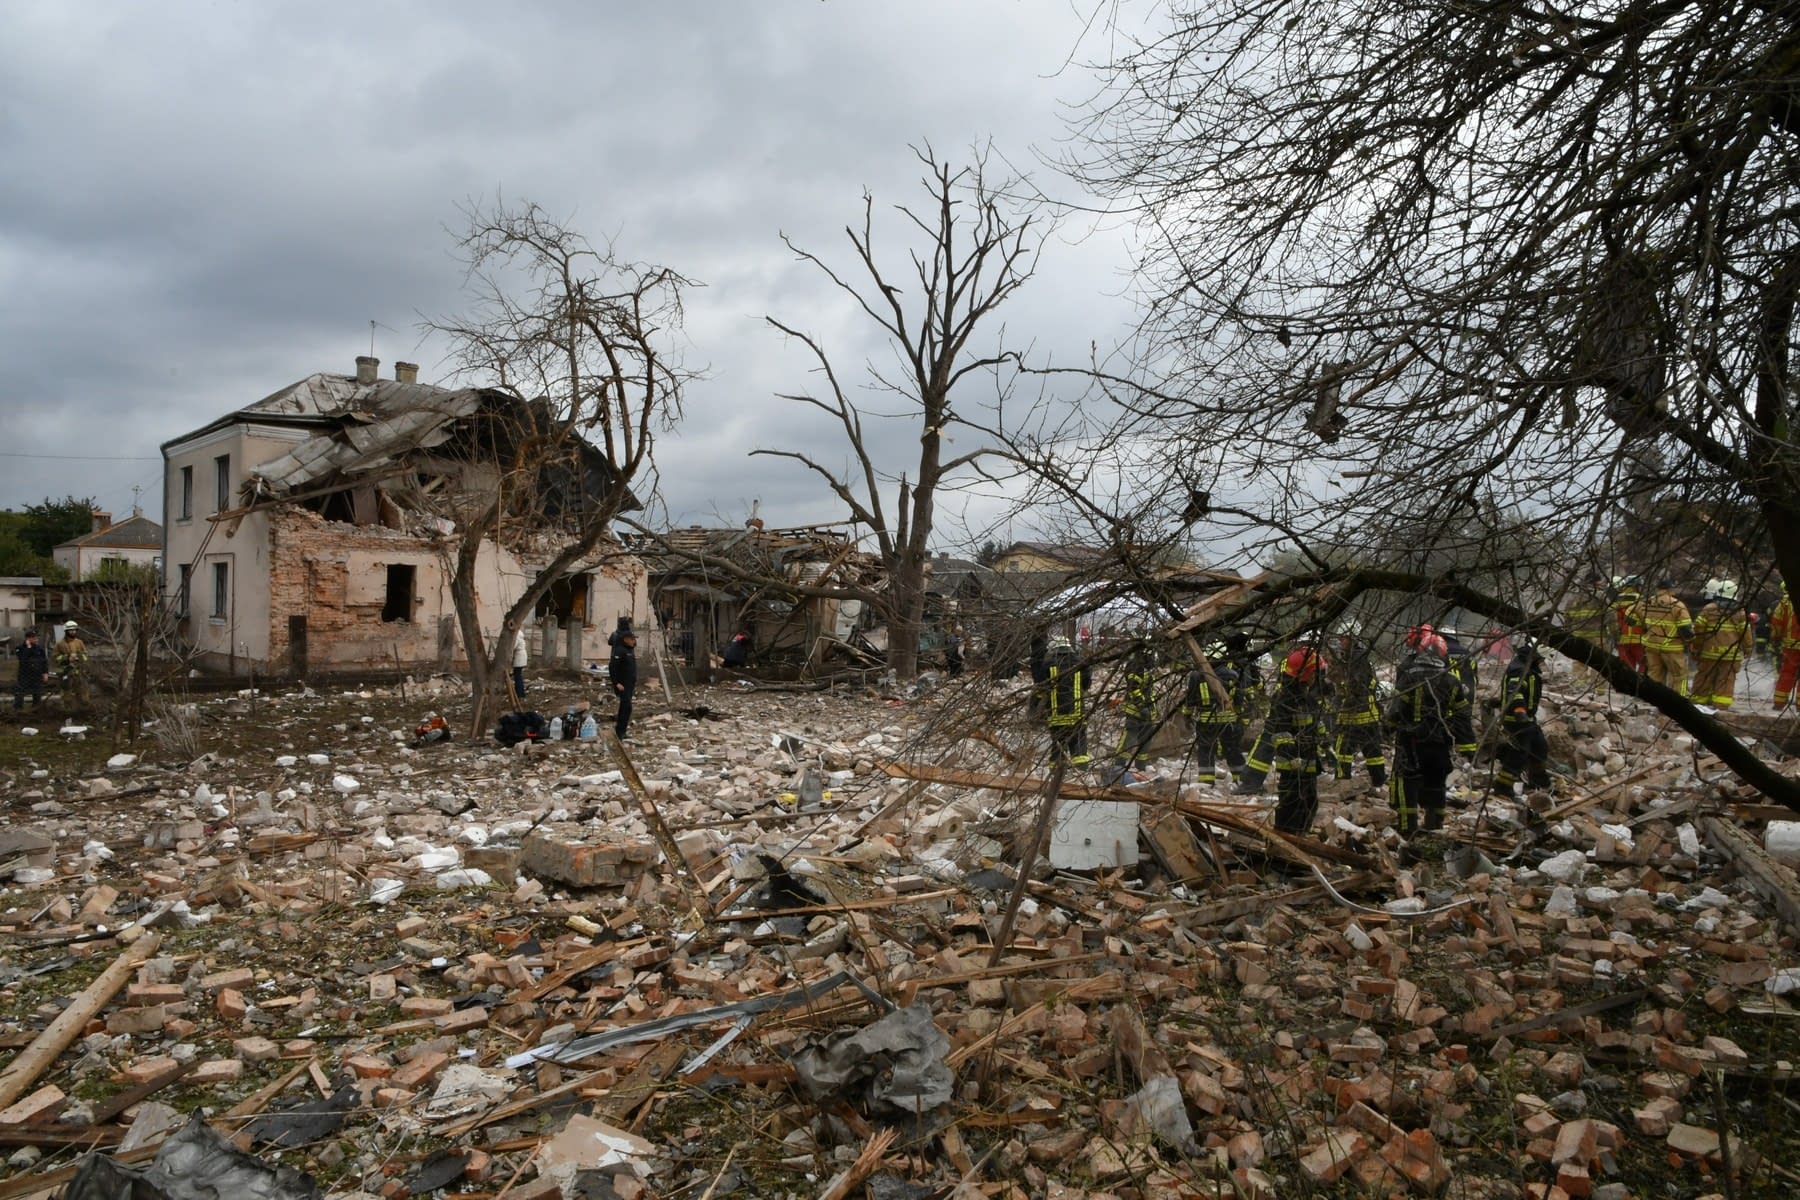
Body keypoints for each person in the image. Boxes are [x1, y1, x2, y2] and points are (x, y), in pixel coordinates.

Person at [1386, 633, 1476, 835]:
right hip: (1440, 743)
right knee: (1436, 783)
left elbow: (1395, 711)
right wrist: (1468, 747)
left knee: (1406, 782)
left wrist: (1386, 730)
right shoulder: (1452, 680)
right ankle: (1434, 828)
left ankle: (1407, 830)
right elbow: (1462, 716)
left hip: (1412, 742)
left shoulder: (1409, 678)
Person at [1236, 645, 1329, 834]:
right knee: (1290, 804)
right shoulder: (1285, 699)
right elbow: (1280, 733)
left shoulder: (1307, 698)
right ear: (1303, 674)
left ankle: (1301, 836)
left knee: (1310, 802)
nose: (1315, 678)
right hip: (1292, 765)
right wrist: (1292, 755)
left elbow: (1315, 723)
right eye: (1313, 673)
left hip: (1309, 762)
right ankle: (1286, 839)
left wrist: (1326, 742)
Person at [1492, 641, 1551, 797]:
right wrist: (1519, 711)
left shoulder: (1529, 669)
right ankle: (1502, 787)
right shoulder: (1519, 670)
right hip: (1516, 720)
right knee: (1519, 754)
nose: (1542, 662)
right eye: (1540, 658)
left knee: (1540, 747)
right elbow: (1515, 691)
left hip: (1528, 719)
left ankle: (1539, 783)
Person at [1330, 635, 1387, 789]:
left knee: (1346, 747)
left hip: (1356, 710)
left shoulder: (1356, 658)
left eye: (1343, 639)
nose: (1340, 642)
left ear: (1353, 639)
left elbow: (1356, 685)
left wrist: (1341, 689)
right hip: (1364, 710)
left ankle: (1344, 780)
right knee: (1369, 748)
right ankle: (1378, 781)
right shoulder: (1352, 657)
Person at [1690, 579, 1754, 709]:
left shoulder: (1708, 610)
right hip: (1730, 655)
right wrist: (1748, 648)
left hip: (1709, 653)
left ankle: (1698, 703)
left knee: (1704, 677)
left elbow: (1698, 630)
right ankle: (1721, 705)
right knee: (1726, 680)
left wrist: (1696, 648)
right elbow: (1745, 633)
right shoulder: (1739, 612)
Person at [1181, 648, 1238, 786]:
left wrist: (1187, 716)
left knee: (1206, 749)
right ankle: (1240, 779)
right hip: (1229, 719)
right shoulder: (1233, 675)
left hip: (1207, 720)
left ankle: (1207, 782)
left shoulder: (1197, 675)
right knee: (1231, 749)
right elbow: (1239, 698)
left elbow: (1191, 699)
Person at [1635, 579, 1693, 694]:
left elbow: (1638, 619)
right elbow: (1686, 629)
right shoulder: (1677, 605)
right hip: (1672, 647)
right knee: (1679, 676)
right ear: (1669, 589)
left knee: (1654, 675)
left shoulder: (1646, 603)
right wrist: (1689, 642)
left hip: (1651, 645)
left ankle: (1654, 700)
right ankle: (1679, 702)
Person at [1041, 636, 1091, 766]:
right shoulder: (1081, 662)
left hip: (1056, 716)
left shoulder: (1048, 664)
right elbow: (1086, 684)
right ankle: (1081, 774)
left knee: (1058, 749)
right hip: (1076, 714)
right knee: (1079, 749)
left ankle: (1055, 779)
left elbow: (1043, 687)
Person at [1113, 640, 1159, 768]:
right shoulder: (1135, 667)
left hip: (1148, 712)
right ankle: (1118, 766)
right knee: (1129, 741)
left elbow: (1148, 691)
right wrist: (1142, 706)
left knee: (1145, 742)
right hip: (1135, 711)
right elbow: (1133, 688)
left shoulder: (1146, 668)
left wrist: (1152, 708)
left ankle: (1141, 767)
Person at [1564, 576, 1611, 683]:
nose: (1602, 585)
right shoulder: (1601, 597)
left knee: (1579, 663)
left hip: (1578, 638)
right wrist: (1616, 635)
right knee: (1600, 663)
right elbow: (1611, 616)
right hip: (1597, 638)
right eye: (1600, 583)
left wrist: (1568, 636)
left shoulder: (1573, 598)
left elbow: (1567, 620)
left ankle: (1578, 688)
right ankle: (1600, 692)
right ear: (1594, 583)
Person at [608, 619, 638, 740]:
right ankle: (620, 732)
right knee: (626, 707)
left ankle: (621, 731)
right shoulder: (620, 650)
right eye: (632, 639)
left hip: (630, 684)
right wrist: (616, 683)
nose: (634, 641)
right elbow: (612, 667)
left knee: (626, 707)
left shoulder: (629, 650)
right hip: (623, 684)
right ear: (626, 639)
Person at [1771, 585, 1800, 711]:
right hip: (1791, 644)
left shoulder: (1786, 601)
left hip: (1790, 645)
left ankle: (1779, 702)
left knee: (1787, 672)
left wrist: (1776, 637)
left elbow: (1776, 621)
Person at [1612, 576, 1645, 675]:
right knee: (1644, 665)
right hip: (1638, 639)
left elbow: (1613, 618)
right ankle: (1642, 687)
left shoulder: (1617, 599)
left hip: (1622, 639)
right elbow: (1645, 619)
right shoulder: (1640, 599)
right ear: (1636, 586)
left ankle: (1628, 688)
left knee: (1626, 669)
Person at [13, 629, 48, 710]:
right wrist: (28, 647)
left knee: (37, 692)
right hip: (24, 674)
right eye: (34, 638)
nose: (36, 639)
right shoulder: (20, 648)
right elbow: (23, 659)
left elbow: (44, 661)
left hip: (37, 674)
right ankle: (18, 708)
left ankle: (36, 708)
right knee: (20, 692)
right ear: (28, 639)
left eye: (36, 638)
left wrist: (45, 672)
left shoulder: (39, 649)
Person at [55, 621, 88, 706]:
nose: (73, 632)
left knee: (82, 691)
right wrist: (67, 658)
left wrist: (79, 658)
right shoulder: (60, 644)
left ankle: (83, 709)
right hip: (65, 672)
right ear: (66, 631)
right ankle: (67, 710)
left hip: (78, 672)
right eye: (71, 630)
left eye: (74, 630)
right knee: (66, 692)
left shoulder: (79, 642)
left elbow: (85, 655)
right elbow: (55, 657)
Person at [512, 632, 528, 698]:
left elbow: (513, 646)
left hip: (519, 657)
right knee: (518, 675)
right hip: (522, 656)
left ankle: (519, 693)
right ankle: (521, 692)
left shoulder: (517, 637)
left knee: (517, 676)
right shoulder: (520, 637)